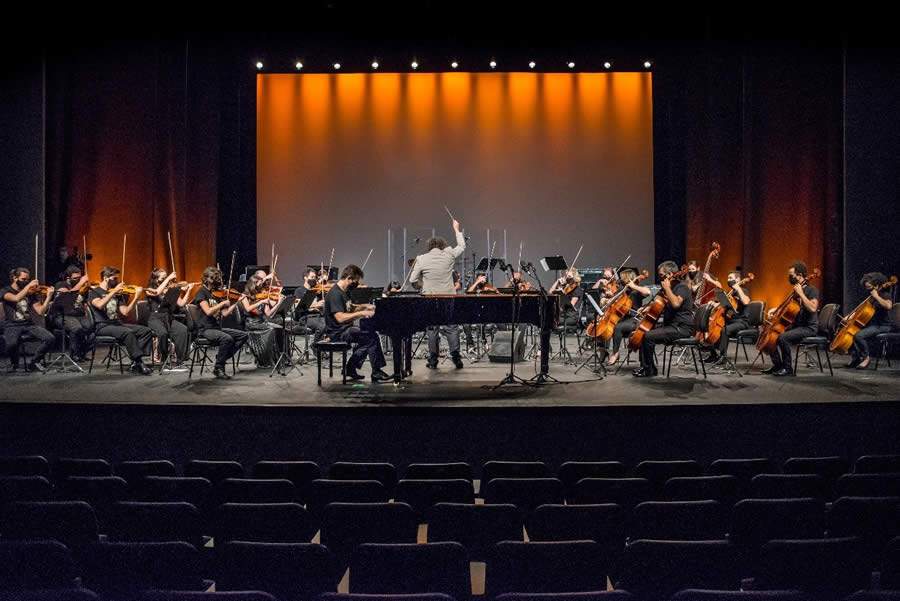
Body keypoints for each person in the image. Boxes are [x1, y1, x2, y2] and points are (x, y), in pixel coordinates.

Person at [409, 218, 467, 370]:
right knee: (451, 327)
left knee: (432, 328)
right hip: (448, 298)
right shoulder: (449, 255)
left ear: (429, 247)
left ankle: (433, 360)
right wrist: (456, 229)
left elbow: (412, 280)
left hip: (430, 298)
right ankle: (456, 358)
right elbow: (462, 246)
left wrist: (422, 287)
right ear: (442, 246)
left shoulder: (421, 258)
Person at [323, 264, 392, 382]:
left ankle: (351, 368)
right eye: (355, 281)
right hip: (337, 333)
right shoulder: (335, 294)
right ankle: (375, 371)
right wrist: (362, 313)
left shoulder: (345, 292)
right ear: (348, 278)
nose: (356, 284)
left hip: (346, 329)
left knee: (368, 339)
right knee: (371, 337)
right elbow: (340, 318)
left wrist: (365, 306)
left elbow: (351, 307)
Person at [632, 261, 695, 378]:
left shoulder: (682, 287)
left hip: (682, 328)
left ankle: (649, 370)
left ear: (670, 274)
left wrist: (667, 288)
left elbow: (676, 304)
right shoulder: (670, 288)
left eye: (661, 275)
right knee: (643, 332)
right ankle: (646, 366)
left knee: (647, 336)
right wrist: (647, 308)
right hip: (672, 326)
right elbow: (660, 303)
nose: (660, 278)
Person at [87, 266, 153, 375]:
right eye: (114, 279)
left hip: (116, 324)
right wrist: (113, 292)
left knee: (145, 331)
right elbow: (99, 305)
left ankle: (136, 361)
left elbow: (125, 312)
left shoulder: (117, 294)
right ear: (106, 278)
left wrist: (136, 297)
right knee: (127, 332)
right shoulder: (94, 292)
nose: (117, 281)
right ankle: (139, 363)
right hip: (102, 326)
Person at [761, 261, 819, 377]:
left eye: (791, 275)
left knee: (783, 337)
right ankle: (777, 365)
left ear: (800, 275)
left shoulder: (812, 290)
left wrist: (801, 294)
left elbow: (813, 308)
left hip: (808, 327)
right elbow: (787, 308)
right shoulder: (795, 291)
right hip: (796, 326)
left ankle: (788, 369)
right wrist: (775, 311)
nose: (790, 277)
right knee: (770, 334)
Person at [192, 267, 249, 379]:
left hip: (216, 328)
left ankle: (222, 357)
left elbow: (225, 314)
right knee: (227, 338)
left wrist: (236, 302)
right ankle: (218, 367)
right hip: (205, 329)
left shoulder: (216, 294)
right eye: (214, 278)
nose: (218, 281)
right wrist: (221, 304)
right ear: (207, 279)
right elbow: (208, 312)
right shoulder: (201, 293)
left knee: (243, 335)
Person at [2, 268, 56, 372]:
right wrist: (28, 286)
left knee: (50, 338)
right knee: (11, 344)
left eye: (27, 280)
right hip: (11, 324)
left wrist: (49, 297)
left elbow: (40, 311)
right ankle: (15, 364)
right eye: (23, 279)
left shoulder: (30, 293)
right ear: (15, 278)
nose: (26, 282)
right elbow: (16, 298)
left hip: (28, 324)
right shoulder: (6, 290)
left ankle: (35, 362)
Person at [145, 268, 193, 369]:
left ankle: (181, 360)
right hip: (155, 318)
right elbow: (157, 292)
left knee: (182, 330)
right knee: (163, 333)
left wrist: (189, 290)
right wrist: (169, 278)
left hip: (167, 318)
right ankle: (164, 358)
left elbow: (181, 303)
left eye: (166, 277)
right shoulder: (149, 289)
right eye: (163, 278)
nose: (166, 279)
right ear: (156, 279)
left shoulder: (169, 289)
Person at [702, 269, 752, 366]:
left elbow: (746, 301)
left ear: (737, 280)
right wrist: (715, 304)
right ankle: (713, 354)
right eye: (728, 278)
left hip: (741, 321)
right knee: (710, 326)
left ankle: (723, 357)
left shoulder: (743, 290)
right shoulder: (731, 292)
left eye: (731, 278)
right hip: (730, 320)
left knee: (725, 330)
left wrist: (738, 288)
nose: (728, 280)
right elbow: (725, 306)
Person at [846, 272, 894, 370]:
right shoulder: (871, 296)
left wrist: (877, 296)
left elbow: (889, 306)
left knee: (859, 336)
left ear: (877, 285)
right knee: (850, 333)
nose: (869, 290)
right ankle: (856, 358)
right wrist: (849, 316)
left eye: (870, 287)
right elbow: (861, 310)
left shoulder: (885, 295)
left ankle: (866, 358)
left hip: (883, 325)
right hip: (872, 325)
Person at [240, 270, 284, 368]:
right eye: (259, 284)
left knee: (279, 327)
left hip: (261, 321)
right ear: (253, 284)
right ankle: (264, 359)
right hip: (251, 323)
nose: (261, 286)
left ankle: (277, 358)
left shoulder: (261, 295)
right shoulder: (244, 295)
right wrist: (261, 302)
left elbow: (268, 313)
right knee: (271, 329)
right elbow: (248, 308)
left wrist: (279, 303)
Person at [606, 268, 649, 366]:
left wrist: (634, 286)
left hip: (635, 319)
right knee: (608, 325)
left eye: (622, 278)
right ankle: (603, 351)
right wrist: (608, 300)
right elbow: (614, 301)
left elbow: (648, 292)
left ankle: (615, 353)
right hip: (624, 318)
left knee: (618, 327)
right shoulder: (622, 290)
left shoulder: (636, 290)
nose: (620, 280)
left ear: (629, 279)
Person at [52, 264, 93, 361]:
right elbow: (67, 296)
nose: (78, 280)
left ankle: (82, 352)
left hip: (78, 315)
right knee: (76, 328)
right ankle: (74, 354)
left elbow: (83, 302)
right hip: (62, 316)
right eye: (75, 278)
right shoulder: (61, 285)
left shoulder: (82, 287)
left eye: (80, 278)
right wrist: (82, 282)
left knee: (92, 331)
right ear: (68, 278)